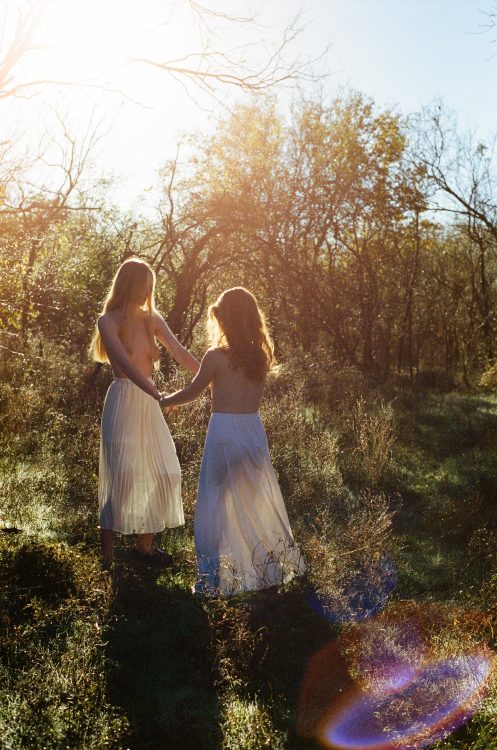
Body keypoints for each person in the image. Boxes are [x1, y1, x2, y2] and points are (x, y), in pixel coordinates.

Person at [158, 287, 305, 596]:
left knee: (213, 504)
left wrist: (164, 399)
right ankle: (267, 573)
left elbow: (192, 392)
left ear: (224, 319)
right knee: (255, 504)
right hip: (252, 431)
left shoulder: (215, 357)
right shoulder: (260, 356)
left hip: (224, 433)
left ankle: (213, 580)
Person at [89, 257, 199, 569]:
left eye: (150, 287)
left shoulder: (152, 319)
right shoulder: (107, 321)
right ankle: (107, 561)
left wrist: (210, 377)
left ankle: (144, 547)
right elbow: (123, 363)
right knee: (121, 479)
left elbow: (179, 352)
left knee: (167, 473)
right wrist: (157, 394)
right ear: (128, 285)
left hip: (151, 404)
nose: (145, 293)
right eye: (142, 286)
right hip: (124, 400)